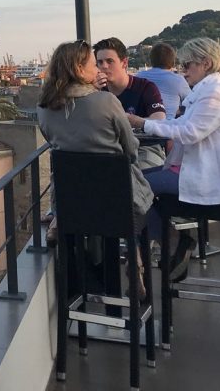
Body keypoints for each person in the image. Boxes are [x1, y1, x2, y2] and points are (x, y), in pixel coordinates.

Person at [127, 38, 220, 282]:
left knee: (133, 185)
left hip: (210, 180)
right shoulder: (211, 91)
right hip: (204, 171)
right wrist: (145, 123)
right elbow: (181, 124)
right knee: (136, 183)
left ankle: (163, 246)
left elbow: (189, 132)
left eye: (188, 65)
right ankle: (166, 246)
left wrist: (142, 123)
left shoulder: (215, 95)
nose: (183, 71)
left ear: (206, 63)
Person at [37, 40, 154, 294]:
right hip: (118, 206)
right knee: (130, 206)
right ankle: (134, 269)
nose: (98, 69)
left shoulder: (44, 110)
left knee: (97, 212)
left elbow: (57, 147)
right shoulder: (107, 102)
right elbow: (131, 151)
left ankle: (95, 284)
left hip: (73, 207)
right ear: (79, 69)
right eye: (93, 64)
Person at [94, 37, 167, 169]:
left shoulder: (145, 87)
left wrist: (130, 121)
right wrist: (91, 93)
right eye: (100, 62)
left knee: (137, 174)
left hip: (145, 147)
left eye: (110, 61)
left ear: (124, 63)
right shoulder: (97, 91)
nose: (104, 66)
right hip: (109, 148)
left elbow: (159, 119)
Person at [136, 43, 191, 119]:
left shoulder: (139, 76)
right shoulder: (179, 80)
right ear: (173, 61)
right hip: (167, 126)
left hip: (142, 125)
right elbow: (192, 102)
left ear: (151, 60)